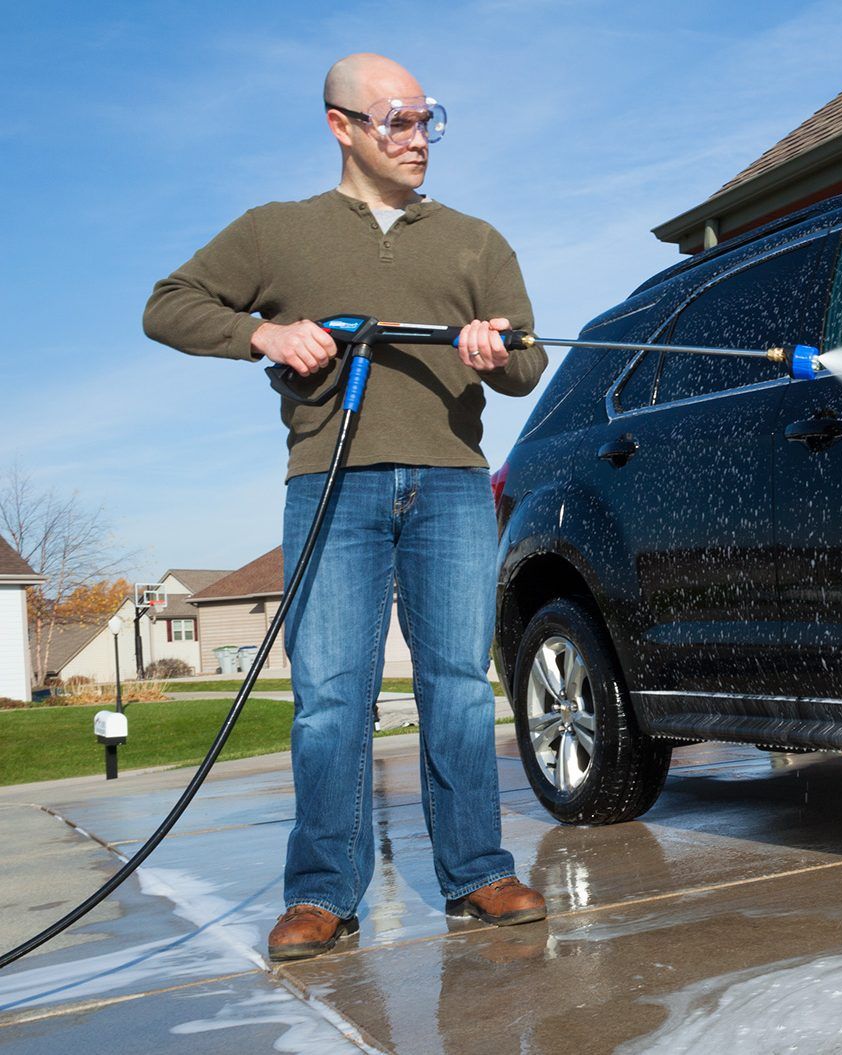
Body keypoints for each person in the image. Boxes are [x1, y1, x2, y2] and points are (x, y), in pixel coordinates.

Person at [143, 53, 549, 961]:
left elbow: (528, 364)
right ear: (342, 126)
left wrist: (495, 350)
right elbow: (166, 305)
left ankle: (478, 870)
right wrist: (263, 330)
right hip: (330, 480)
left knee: (454, 685)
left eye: (427, 121)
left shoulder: (475, 241)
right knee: (331, 697)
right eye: (396, 121)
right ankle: (323, 891)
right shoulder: (277, 233)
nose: (416, 140)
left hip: (449, 481)